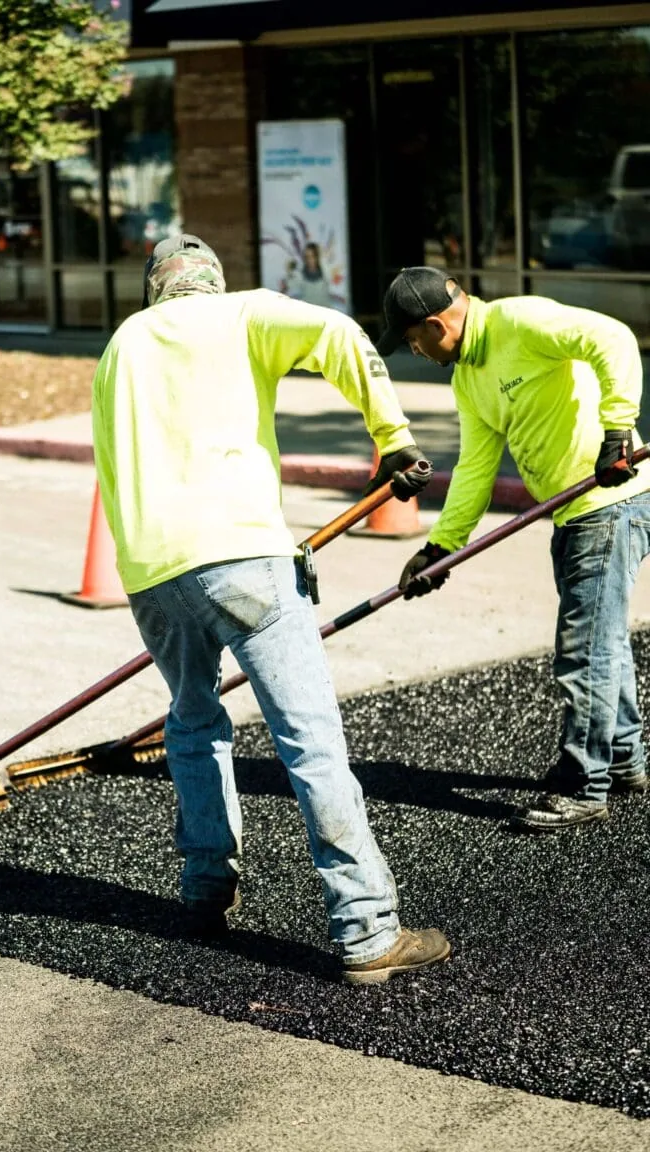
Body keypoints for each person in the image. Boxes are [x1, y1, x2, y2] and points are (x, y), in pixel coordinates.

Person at [91, 234, 450, 983]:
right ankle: (366, 930)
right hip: (242, 557)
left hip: (153, 573)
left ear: (157, 288)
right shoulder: (241, 313)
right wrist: (392, 437)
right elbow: (341, 335)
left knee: (192, 723)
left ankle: (205, 889)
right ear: (212, 281)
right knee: (309, 736)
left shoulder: (122, 345)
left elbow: (113, 463)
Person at [377, 266, 650, 831]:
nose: (416, 352)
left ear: (434, 324)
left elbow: (615, 339)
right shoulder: (468, 378)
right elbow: (477, 468)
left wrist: (618, 428)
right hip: (571, 515)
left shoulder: (520, 321)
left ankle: (584, 785)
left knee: (585, 651)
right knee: (601, 639)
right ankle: (624, 759)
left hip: (611, 504)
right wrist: (440, 548)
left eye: (412, 340)